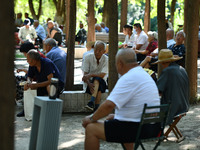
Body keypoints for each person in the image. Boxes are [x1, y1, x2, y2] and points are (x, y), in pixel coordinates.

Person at [82, 49, 160, 150]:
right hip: (153, 127)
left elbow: (109, 105)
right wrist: (117, 116)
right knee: (114, 119)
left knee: (91, 128)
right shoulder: (144, 75)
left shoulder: (128, 77)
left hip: (138, 129)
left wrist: (91, 118)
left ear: (119, 64)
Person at [154, 49, 189, 125]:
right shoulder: (182, 69)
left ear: (162, 63)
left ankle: (156, 132)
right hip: (184, 105)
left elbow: (157, 91)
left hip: (172, 108)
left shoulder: (167, 71)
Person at [82, 41, 108, 112]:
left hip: (102, 82)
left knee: (97, 79)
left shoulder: (106, 59)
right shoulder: (88, 57)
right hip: (90, 83)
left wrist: (90, 75)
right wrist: (89, 84)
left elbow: (102, 75)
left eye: (100, 50)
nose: (97, 52)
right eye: (96, 49)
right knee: (98, 88)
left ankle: (91, 102)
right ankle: (96, 108)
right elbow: (85, 75)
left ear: (104, 51)